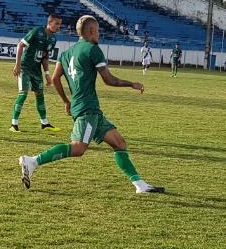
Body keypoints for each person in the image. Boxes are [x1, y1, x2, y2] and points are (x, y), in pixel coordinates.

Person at [19, 15, 163, 194]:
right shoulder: (92, 49)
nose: (99, 35)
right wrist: (131, 84)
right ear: (92, 31)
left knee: (119, 143)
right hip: (87, 109)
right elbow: (109, 80)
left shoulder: (66, 54)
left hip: (89, 109)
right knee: (78, 148)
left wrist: (66, 101)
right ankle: (32, 161)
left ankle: (140, 185)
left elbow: (55, 79)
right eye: (98, 31)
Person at [10, 14, 62, 133]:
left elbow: (45, 57)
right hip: (25, 67)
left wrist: (47, 74)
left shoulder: (53, 39)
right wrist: (17, 65)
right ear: (50, 22)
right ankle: (14, 124)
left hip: (36, 70)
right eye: (57, 23)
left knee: (40, 95)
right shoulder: (37, 31)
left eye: (60, 24)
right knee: (23, 94)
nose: (59, 26)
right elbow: (20, 45)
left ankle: (44, 123)